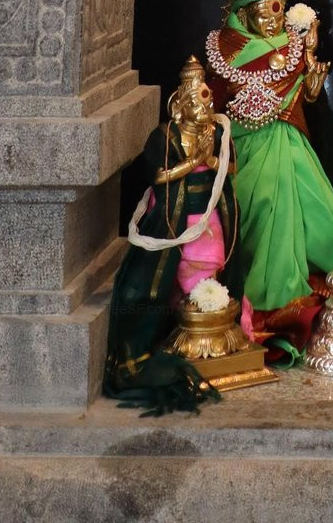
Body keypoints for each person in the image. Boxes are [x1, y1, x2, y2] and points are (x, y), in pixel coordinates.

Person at [205, 0, 333, 347]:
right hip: (239, 153)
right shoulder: (222, 47)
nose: (273, 19)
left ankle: (288, 294)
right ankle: (251, 299)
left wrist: (313, 82)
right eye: (265, 10)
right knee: (252, 209)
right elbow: (213, 104)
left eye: (278, 9)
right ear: (246, 10)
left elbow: (306, 95)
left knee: (295, 203)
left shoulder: (292, 44)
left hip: (287, 144)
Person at [103, 55, 244, 412]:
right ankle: (174, 329)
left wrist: (210, 160)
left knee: (215, 262)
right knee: (170, 273)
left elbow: (231, 169)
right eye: (196, 102)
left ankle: (209, 321)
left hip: (210, 214)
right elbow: (158, 176)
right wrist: (191, 161)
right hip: (175, 218)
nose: (205, 108)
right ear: (179, 106)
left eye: (207, 101)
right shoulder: (167, 135)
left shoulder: (218, 131)